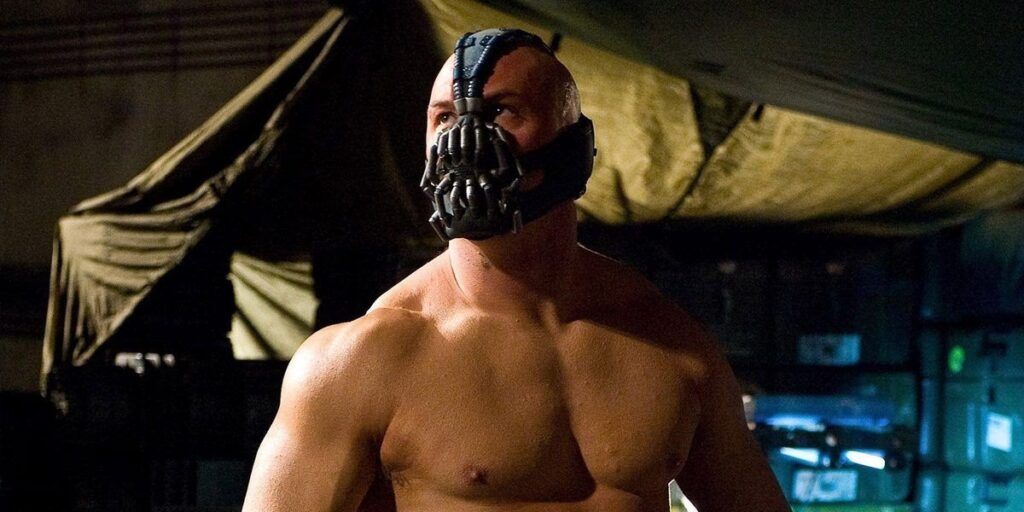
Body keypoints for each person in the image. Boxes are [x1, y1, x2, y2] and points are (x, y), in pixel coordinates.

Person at [243, 28, 789, 512]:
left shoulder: (671, 346)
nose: (464, 141)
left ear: (574, 148)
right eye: (444, 118)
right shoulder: (360, 362)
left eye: (502, 112)